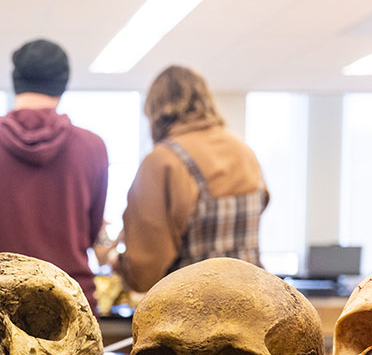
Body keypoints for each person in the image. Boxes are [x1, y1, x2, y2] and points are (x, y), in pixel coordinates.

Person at [0, 38, 108, 306]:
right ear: (64, 83)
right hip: (72, 310)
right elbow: (91, 234)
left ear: (15, 79)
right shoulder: (92, 148)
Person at [114, 66, 267, 293]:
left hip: (192, 313)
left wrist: (118, 263)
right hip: (253, 303)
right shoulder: (244, 152)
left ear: (155, 108)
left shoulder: (162, 161)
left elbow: (145, 271)